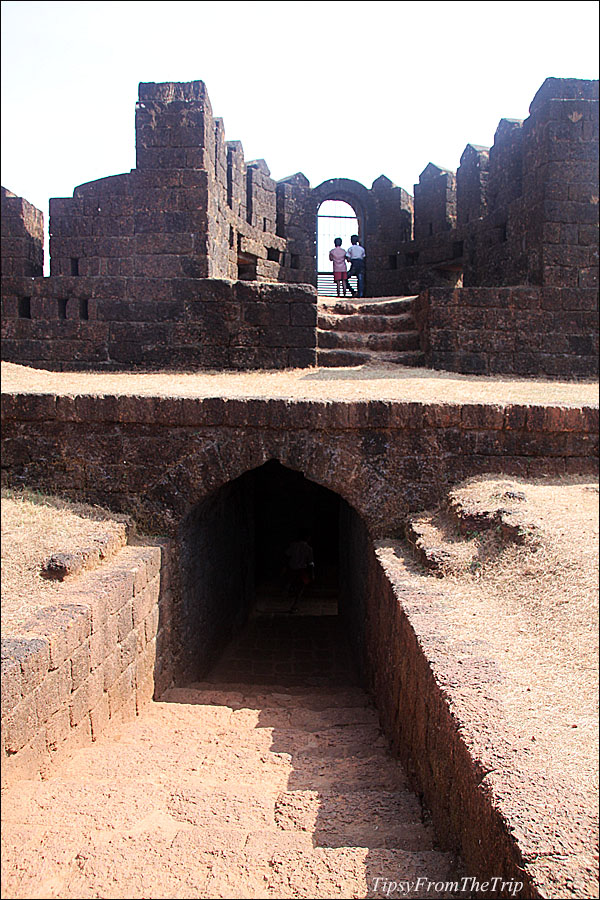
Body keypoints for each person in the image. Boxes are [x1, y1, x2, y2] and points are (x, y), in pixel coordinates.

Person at [285, 532, 314, 613]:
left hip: (292, 569)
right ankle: (295, 605)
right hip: (302, 571)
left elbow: (287, 555)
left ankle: (292, 601)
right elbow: (311, 562)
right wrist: (312, 573)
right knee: (300, 589)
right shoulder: (308, 548)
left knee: (293, 585)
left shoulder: (293, 545)